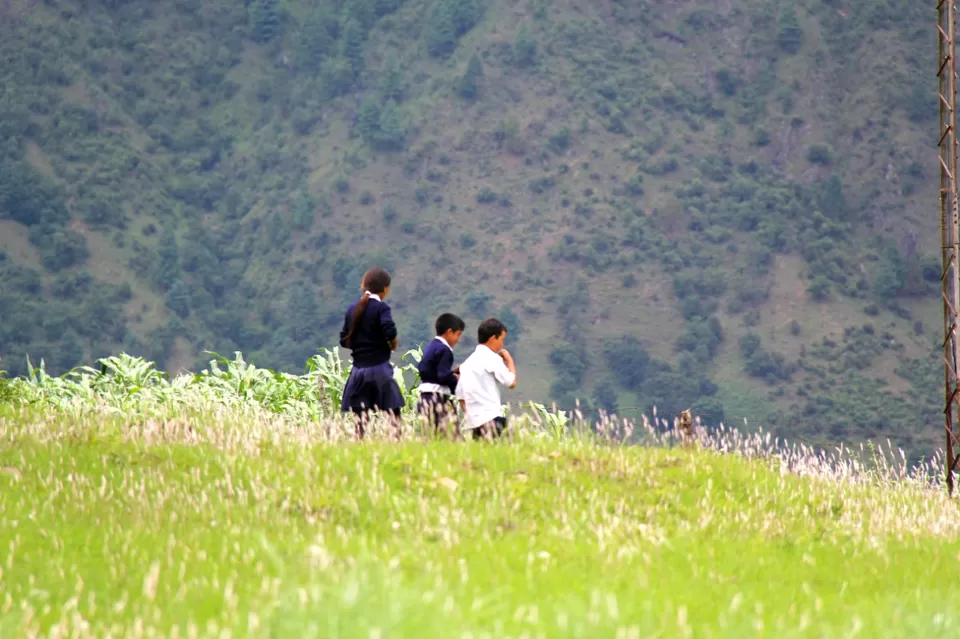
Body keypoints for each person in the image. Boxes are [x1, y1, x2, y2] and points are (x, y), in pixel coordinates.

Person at [339, 267, 405, 440]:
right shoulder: (381, 308)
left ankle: (359, 446)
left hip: (358, 372)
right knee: (393, 414)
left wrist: (360, 347)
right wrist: (392, 344)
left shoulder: (352, 310)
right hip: (380, 370)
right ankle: (396, 445)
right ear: (385, 289)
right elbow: (389, 331)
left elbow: (343, 340)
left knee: (360, 419)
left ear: (364, 285)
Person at [455, 318, 517, 440]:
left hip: (475, 426)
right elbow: (511, 382)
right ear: (493, 338)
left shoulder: (466, 364)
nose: (502, 344)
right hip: (493, 420)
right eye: (501, 340)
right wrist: (509, 360)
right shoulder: (492, 358)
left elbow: (462, 399)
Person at [416, 313, 466, 437]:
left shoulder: (431, 347)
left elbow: (430, 372)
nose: (458, 340)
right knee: (452, 438)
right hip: (438, 399)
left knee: (431, 437)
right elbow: (443, 376)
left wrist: (451, 373)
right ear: (449, 332)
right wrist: (456, 379)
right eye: (458, 335)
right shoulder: (445, 350)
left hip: (424, 398)